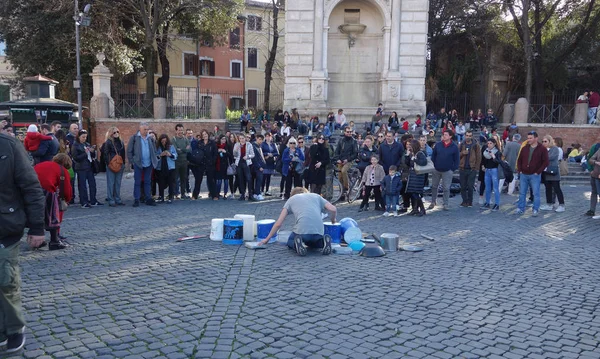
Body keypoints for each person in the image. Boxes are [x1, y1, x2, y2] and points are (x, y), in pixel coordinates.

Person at [0, 132, 46, 354]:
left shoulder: (8, 146)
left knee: (6, 282)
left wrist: (37, 227)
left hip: (5, 227)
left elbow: (31, 188)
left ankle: (14, 329)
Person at [257, 187, 336, 256]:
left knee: (290, 240)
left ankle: (296, 244)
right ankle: (323, 242)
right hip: (318, 232)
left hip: (301, 232)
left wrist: (267, 239)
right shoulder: (317, 196)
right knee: (313, 243)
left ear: (293, 194)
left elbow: (278, 224)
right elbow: (333, 209)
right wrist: (333, 220)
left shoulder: (291, 199)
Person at [34, 153, 73, 250]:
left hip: (31, 190)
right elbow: (67, 189)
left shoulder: (43, 164)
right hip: (46, 190)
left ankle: (36, 241)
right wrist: (66, 200)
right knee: (53, 215)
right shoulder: (62, 170)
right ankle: (54, 241)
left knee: (35, 216)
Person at [515, 131, 549, 216]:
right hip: (524, 174)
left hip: (535, 175)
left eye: (530, 138)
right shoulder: (524, 148)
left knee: (536, 193)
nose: (528, 140)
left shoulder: (542, 149)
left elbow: (546, 162)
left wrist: (538, 172)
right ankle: (520, 208)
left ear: (536, 138)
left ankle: (535, 209)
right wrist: (520, 170)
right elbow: (519, 159)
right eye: (528, 138)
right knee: (522, 192)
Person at [127, 122, 158, 207]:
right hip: (138, 163)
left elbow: (154, 150)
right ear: (140, 129)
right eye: (144, 129)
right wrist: (132, 161)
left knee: (148, 181)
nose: (146, 131)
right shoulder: (134, 138)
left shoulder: (150, 138)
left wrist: (154, 159)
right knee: (137, 181)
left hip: (149, 163)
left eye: (147, 129)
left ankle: (148, 198)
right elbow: (129, 151)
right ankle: (136, 199)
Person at [429, 130, 460, 210]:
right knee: (434, 186)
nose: (444, 136)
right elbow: (433, 156)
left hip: (447, 171)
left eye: (446, 135)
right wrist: (433, 165)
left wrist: (452, 169)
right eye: (443, 134)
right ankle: (433, 202)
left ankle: (445, 204)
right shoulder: (438, 145)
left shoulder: (454, 147)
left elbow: (457, 160)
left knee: (446, 188)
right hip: (436, 169)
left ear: (450, 136)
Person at [71, 130, 101, 208]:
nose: (84, 138)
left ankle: (93, 200)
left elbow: (92, 155)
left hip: (89, 166)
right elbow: (75, 158)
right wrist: (85, 153)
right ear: (79, 137)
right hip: (81, 168)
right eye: (83, 137)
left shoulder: (86, 144)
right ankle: (84, 201)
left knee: (92, 184)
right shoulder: (75, 145)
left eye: (85, 137)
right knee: (82, 186)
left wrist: (92, 151)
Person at [539, 135, 565, 213]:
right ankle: (549, 204)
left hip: (553, 172)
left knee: (557, 188)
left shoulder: (555, 149)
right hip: (545, 172)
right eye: (543, 141)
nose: (543, 143)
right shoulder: (542, 149)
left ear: (550, 141)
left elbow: (550, 157)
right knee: (548, 189)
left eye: (545, 141)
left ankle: (562, 205)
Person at [102, 126, 126, 207]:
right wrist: (108, 163)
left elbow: (123, 153)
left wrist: (123, 164)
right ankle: (111, 200)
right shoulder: (108, 142)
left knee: (118, 183)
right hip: (111, 164)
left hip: (120, 164)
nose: (116, 134)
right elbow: (105, 154)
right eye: (114, 132)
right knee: (111, 183)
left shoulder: (121, 142)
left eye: (118, 132)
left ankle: (117, 199)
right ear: (111, 134)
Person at [404, 140, 429, 216]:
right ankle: (415, 209)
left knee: (416, 193)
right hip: (412, 175)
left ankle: (422, 209)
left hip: (418, 176)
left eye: (411, 145)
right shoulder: (412, 153)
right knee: (413, 193)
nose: (409, 147)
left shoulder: (420, 153)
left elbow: (423, 162)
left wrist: (414, 159)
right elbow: (408, 164)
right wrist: (407, 156)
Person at [459, 130, 482, 208]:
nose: (468, 137)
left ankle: (470, 201)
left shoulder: (476, 145)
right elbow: (457, 155)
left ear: (472, 136)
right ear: (465, 136)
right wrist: (462, 153)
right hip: (462, 168)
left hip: (472, 169)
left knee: (470, 186)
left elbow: (479, 157)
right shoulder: (461, 144)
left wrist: (476, 168)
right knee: (463, 186)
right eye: (467, 135)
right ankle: (464, 201)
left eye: (470, 135)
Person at [334, 127, 358, 196]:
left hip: (349, 160)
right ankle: (341, 192)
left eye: (350, 132)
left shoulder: (354, 141)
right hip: (340, 160)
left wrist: (347, 160)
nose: (349, 133)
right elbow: (337, 151)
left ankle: (346, 188)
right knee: (340, 176)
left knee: (343, 171)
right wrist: (337, 159)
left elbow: (355, 154)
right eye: (348, 132)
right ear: (344, 132)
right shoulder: (341, 140)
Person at [154, 134, 178, 203]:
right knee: (161, 183)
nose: (164, 142)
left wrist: (170, 155)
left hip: (170, 167)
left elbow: (175, 155)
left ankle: (171, 196)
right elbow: (155, 157)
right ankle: (161, 196)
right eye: (162, 141)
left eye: (165, 141)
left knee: (171, 182)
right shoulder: (157, 147)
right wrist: (160, 155)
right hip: (160, 168)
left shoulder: (171, 146)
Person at [480, 138, 501, 211]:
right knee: (488, 188)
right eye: (488, 143)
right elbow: (483, 160)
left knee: (495, 188)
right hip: (487, 170)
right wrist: (483, 166)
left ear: (494, 144)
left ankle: (497, 204)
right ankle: (487, 202)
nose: (489, 145)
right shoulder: (486, 151)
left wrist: (493, 156)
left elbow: (498, 162)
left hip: (494, 170)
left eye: (490, 143)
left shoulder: (497, 152)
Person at [233, 133, 255, 201]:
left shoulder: (249, 144)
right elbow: (234, 155)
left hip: (246, 163)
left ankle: (250, 194)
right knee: (241, 179)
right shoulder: (236, 144)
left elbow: (253, 154)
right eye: (240, 139)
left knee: (249, 178)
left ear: (245, 138)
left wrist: (248, 157)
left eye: (243, 138)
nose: (241, 140)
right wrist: (236, 150)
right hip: (239, 163)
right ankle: (243, 194)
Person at [172, 124, 191, 200]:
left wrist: (181, 149)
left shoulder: (186, 139)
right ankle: (176, 193)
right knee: (175, 178)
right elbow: (176, 150)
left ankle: (183, 193)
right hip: (176, 161)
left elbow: (189, 149)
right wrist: (184, 149)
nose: (180, 132)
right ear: (176, 131)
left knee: (184, 178)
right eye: (179, 130)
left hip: (184, 161)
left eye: (181, 130)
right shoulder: (173, 139)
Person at [215, 135, 233, 199]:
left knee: (226, 181)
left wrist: (225, 152)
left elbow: (231, 156)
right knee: (219, 181)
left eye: (225, 139)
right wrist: (218, 151)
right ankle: (217, 193)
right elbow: (214, 155)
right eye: (222, 139)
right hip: (218, 166)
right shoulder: (216, 146)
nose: (223, 140)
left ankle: (225, 193)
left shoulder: (227, 146)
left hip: (226, 166)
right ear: (220, 139)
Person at [251, 135, 266, 201]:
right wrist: (259, 166)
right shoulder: (254, 146)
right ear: (256, 139)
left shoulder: (258, 146)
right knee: (258, 180)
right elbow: (254, 158)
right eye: (259, 139)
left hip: (260, 166)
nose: (260, 141)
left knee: (259, 180)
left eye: (261, 140)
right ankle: (257, 193)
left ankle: (256, 193)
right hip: (257, 167)